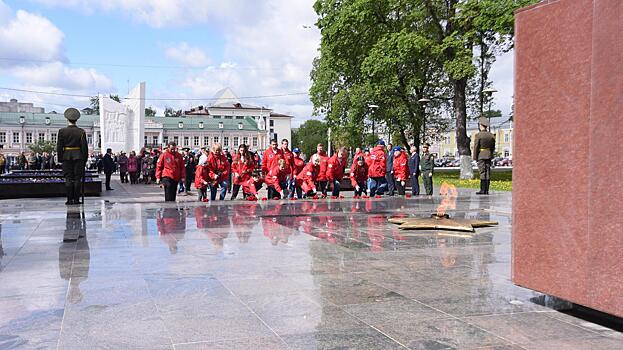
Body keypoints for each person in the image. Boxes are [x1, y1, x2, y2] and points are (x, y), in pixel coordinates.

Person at [56, 108, 89, 205]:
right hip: (79, 157)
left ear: (67, 119)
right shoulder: (81, 132)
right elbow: (84, 147)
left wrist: (60, 158)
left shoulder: (62, 131)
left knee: (68, 178)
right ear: (76, 120)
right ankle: (76, 199)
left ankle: (69, 199)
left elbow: (59, 146)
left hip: (66, 156)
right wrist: (85, 159)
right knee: (77, 178)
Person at [473, 117, 496, 195]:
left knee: (482, 172)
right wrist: (491, 154)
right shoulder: (491, 135)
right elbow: (493, 147)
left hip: (481, 155)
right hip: (488, 155)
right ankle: (487, 190)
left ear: (481, 125)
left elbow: (476, 147)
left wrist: (475, 157)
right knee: (488, 172)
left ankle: (482, 190)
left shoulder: (478, 135)